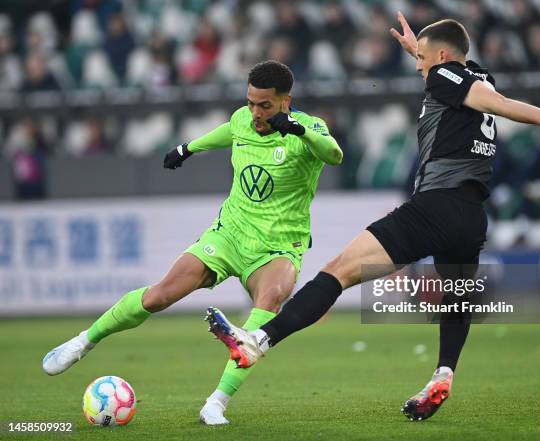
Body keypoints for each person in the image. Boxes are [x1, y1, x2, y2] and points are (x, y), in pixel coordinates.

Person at [206, 14, 540, 422]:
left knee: (338, 271)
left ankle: (258, 340)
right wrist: (420, 48)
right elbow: (473, 84)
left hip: (435, 207)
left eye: (423, 61)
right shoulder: (473, 74)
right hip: (471, 217)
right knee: (455, 297)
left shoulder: (445, 76)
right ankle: (443, 372)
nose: (419, 68)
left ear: (445, 57)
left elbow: (495, 102)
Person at [41, 60, 343, 425]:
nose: (255, 112)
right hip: (229, 234)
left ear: (285, 100)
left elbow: (334, 155)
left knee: (269, 303)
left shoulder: (308, 129)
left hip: (278, 247)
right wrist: (188, 149)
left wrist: (297, 130)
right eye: (250, 102)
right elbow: (227, 131)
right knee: (159, 296)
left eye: (264, 105)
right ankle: (82, 341)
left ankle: (215, 403)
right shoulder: (242, 120)